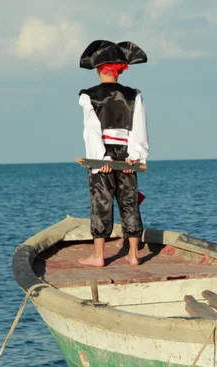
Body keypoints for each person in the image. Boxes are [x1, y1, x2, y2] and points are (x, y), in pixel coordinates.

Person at [77, 40, 149, 267]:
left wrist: (101, 160)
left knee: (101, 202)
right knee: (129, 202)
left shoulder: (89, 96)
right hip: (127, 154)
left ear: (99, 69)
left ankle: (99, 256)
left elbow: (92, 131)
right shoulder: (133, 95)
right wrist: (135, 156)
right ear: (120, 70)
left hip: (104, 155)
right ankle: (134, 255)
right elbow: (139, 128)